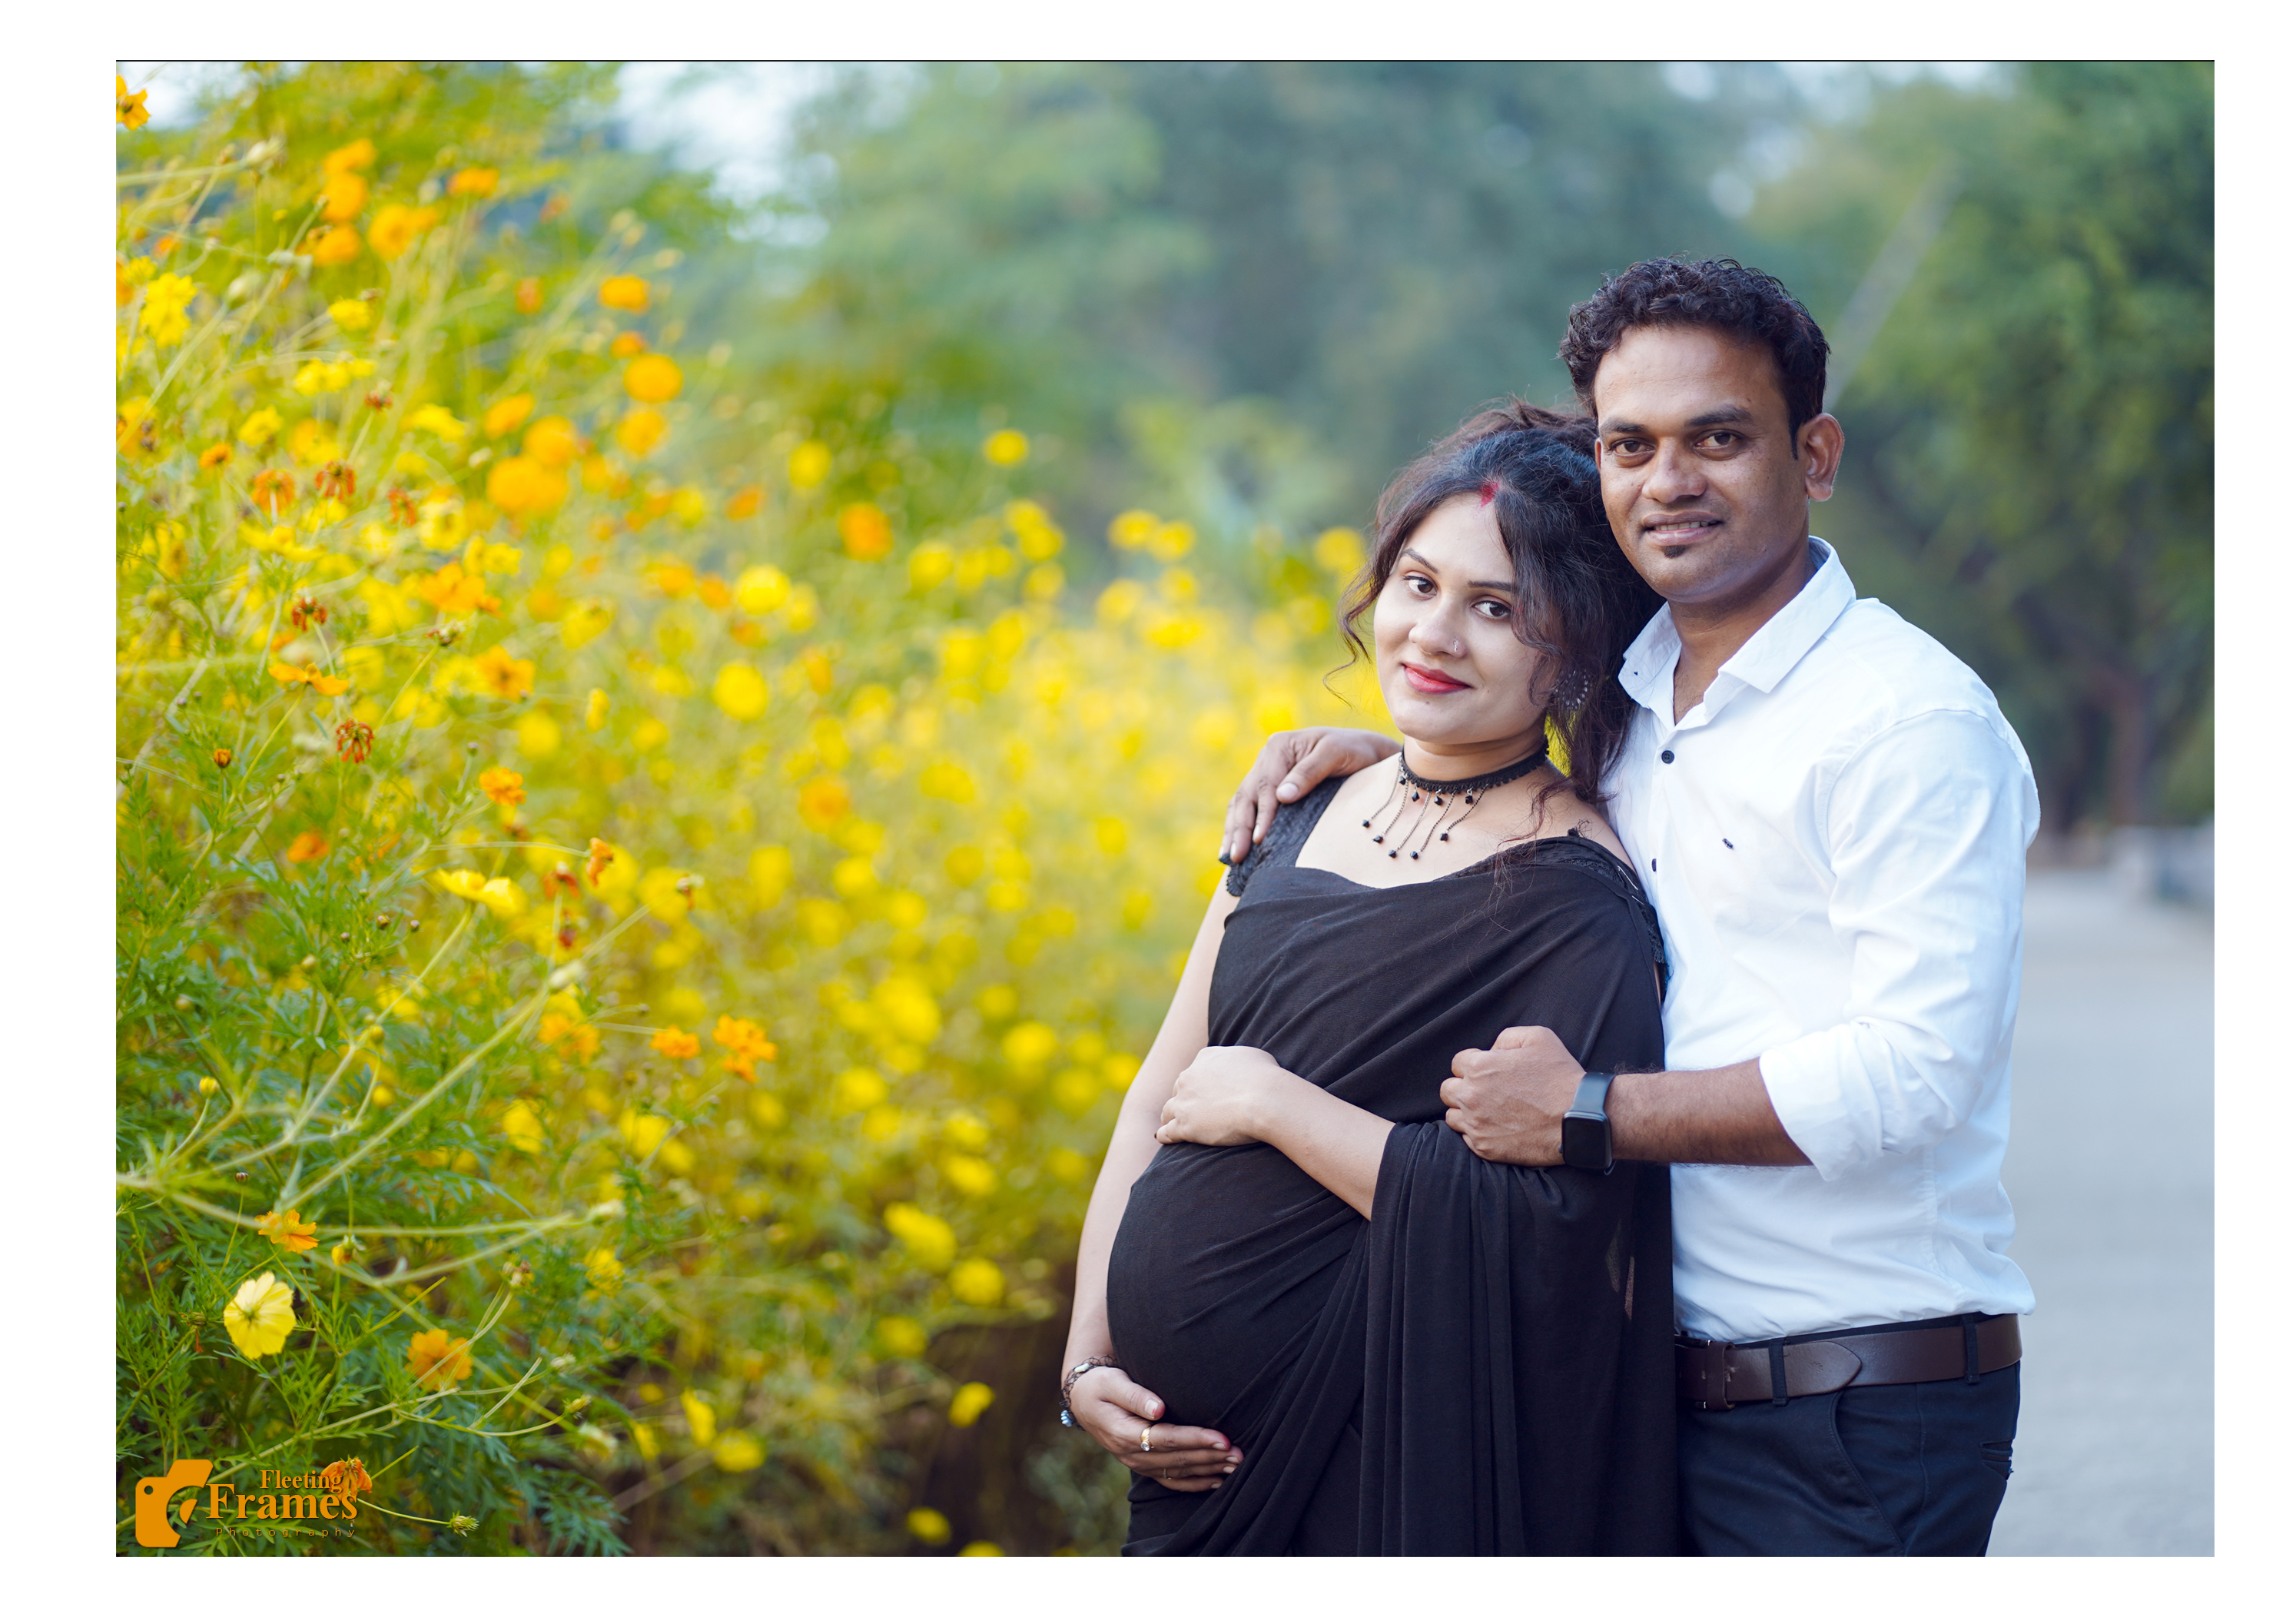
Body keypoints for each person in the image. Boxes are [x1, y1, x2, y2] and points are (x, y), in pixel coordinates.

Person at [1223, 257, 2037, 1556]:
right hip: (1650, 1396)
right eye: (1629, 444)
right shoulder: (1634, 700)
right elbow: (1562, 825)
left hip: (1856, 1408)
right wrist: (1393, 760)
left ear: (1814, 453)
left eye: (1719, 438)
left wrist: (1586, 1115)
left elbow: (1917, 1073)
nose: (1669, 481)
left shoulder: (1906, 720)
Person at [1058, 404, 1679, 1555]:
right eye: (1419, 585)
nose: (1436, 635)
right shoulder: (1293, 809)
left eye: (1499, 609)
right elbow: (1157, 1092)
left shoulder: (1569, 896)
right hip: (1186, 1480)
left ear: (1578, 649)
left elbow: (1552, 1234)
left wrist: (1278, 1109)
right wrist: (1088, 1355)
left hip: (1378, 1453)